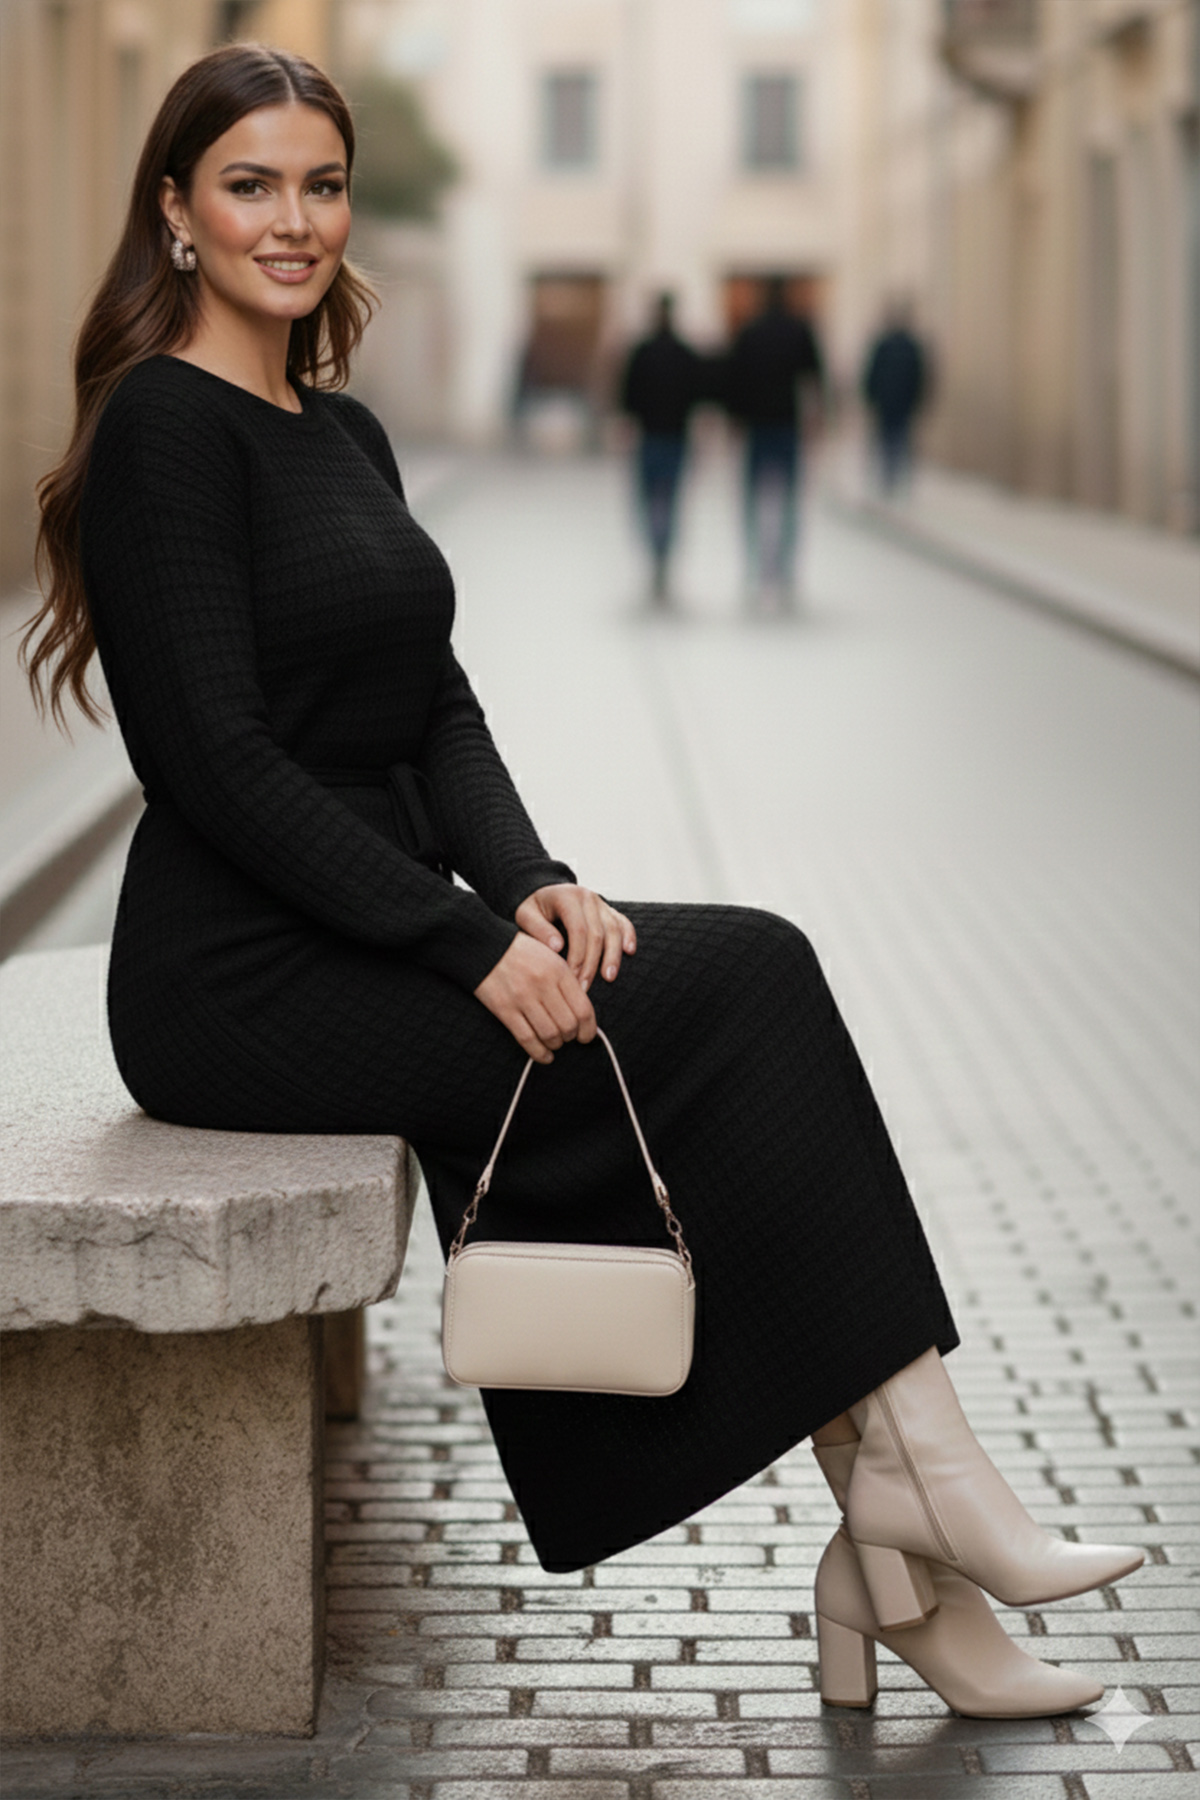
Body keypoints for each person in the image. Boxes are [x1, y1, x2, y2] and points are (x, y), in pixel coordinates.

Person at [24, 44, 1143, 1719]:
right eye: (250, 184)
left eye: (321, 183)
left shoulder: (341, 433)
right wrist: (474, 949)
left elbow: (438, 704)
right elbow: (218, 769)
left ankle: (905, 1512)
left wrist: (535, 881)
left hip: (374, 933)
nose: (295, 219)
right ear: (175, 211)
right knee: (720, 1001)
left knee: (746, 975)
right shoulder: (164, 438)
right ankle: (913, 1516)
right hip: (234, 983)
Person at [724, 276, 826, 611]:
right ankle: (784, 571)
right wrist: (819, 418)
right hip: (786, 425)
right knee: (790, 503)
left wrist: (734, 420)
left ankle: (757, 570)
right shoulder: (799, 330)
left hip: (758, 427)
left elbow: (734, 379)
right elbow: (815, 378)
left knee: (753, 503)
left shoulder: (750, 332)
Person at [618, 293, 706, 603]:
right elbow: (698, 397)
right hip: (674, 439)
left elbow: (627, 398)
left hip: (651, 438)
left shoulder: (642, 351)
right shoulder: (684, 353)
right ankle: (662, 556)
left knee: (648, 502)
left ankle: (657, 556)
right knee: (669, 502)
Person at [862, 302, 928, 494]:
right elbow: (919, 377)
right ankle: (898, 480)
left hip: (887, 403)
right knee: (899, 441)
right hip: (901, 403)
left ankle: (891, 479)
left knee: (888, 441)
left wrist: (870, 397)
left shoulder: (885, 345)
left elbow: (872, 375)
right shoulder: (909, 347)